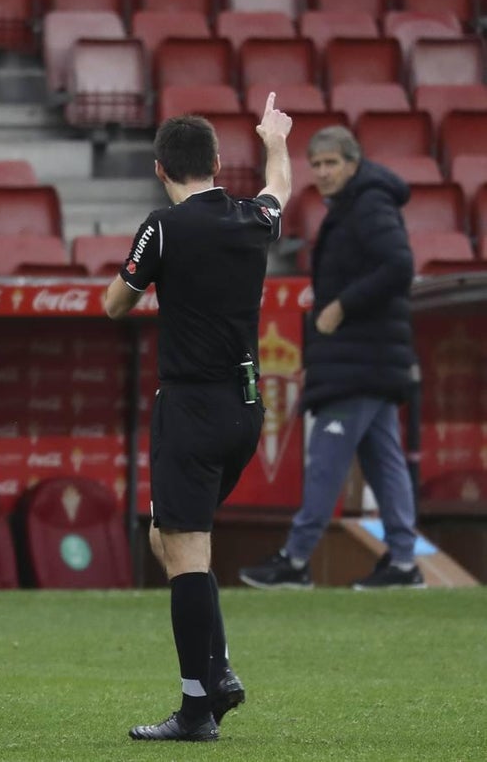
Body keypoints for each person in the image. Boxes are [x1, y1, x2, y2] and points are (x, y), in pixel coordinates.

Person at [104, 93, 292, 742]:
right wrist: (274, 140)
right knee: (170, 535)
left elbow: (116, 304)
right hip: (245, 408)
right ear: (215, 161)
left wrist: (133, 280)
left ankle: (196, 707)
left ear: (160, 169)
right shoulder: (251, 219)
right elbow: (279, 190)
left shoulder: (163, 225)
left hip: (189, 405)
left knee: (184, 553)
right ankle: (219, 669)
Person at [238, 126, 423, 592]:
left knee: (326, 459)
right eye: (316, 164)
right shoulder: (355, 205)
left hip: (360, 359)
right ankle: (403, 563)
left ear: (353, 164)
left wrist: (341, 306)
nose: (322, 173)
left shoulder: (370, 205)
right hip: (365, 358)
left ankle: (297, 560)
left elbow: (399, 266)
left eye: (331, 163)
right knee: (385, 461)